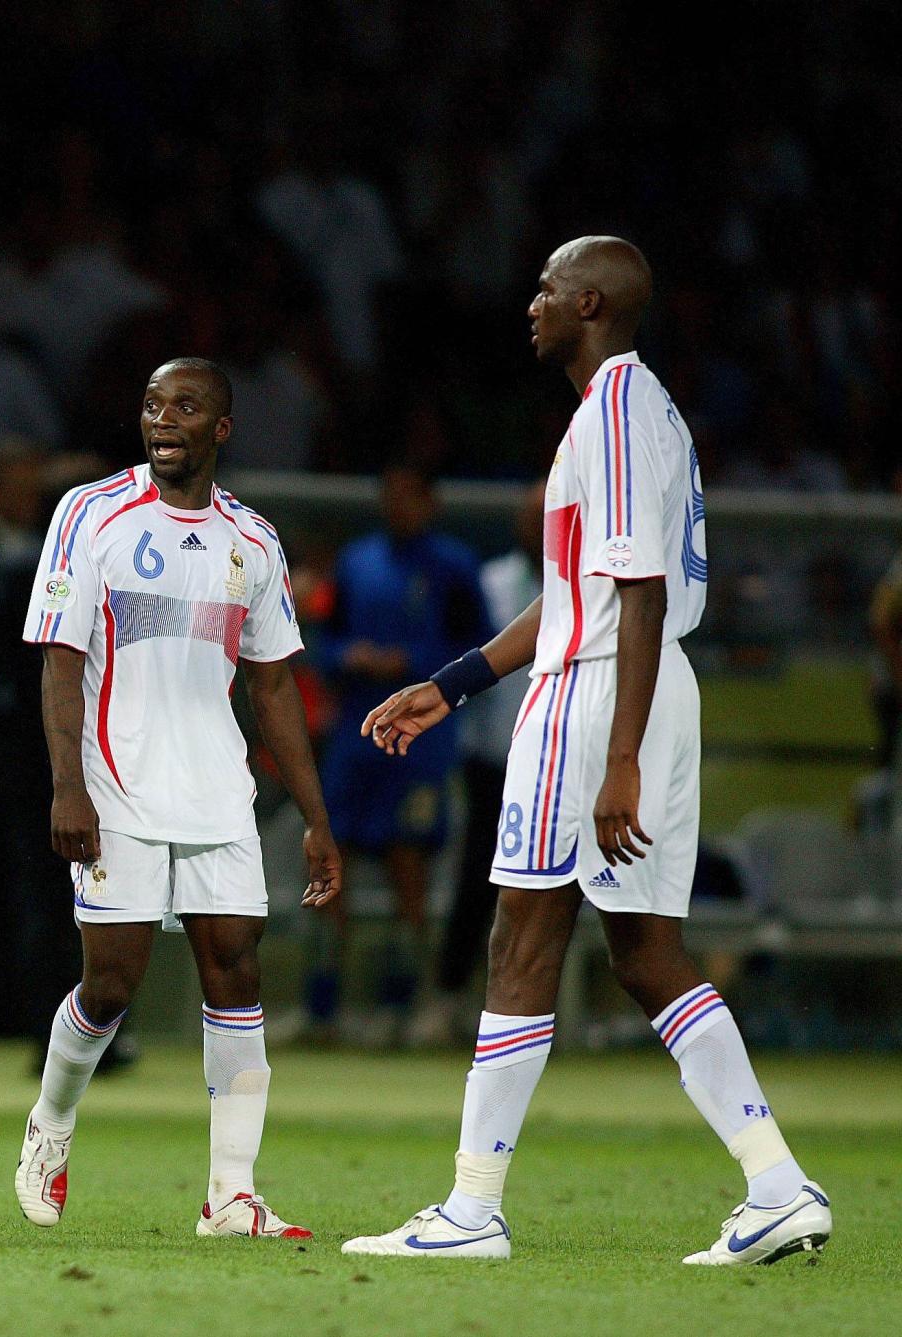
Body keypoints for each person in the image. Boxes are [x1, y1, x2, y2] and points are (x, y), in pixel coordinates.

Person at [344, 237, 831, 1264]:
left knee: (519, 935)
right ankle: (776, 1182)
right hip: (644, 686)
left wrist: (614, 757)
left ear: (591, 301)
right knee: (644, 952)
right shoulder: (638, 408)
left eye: (545, 289)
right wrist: (452, 681)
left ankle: (472, 1206)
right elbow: (583, 590)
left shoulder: (609, 413)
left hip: (601, 694)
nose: (529, 304)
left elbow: (636, 590)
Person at [11, 358, 343, 1237]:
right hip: (115, 786)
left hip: (217, 793)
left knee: (235, 969)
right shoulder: (89, 514)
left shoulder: (255, 542)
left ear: (221, 429)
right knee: (110, 985)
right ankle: (51, 1122)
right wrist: (68, 787)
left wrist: (314, 815)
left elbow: (273, 689)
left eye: (185, 406)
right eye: (153, 403)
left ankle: (231, 1196)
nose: (163, 419)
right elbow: (61, 658)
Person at [311, 465, 486, 1043]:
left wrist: (410, 663)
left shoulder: (455, 567)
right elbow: (324, 639)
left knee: (409, 864)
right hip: (357, 735)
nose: (396, 507)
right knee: (332, 859)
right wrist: (348, 658)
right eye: (388, 495)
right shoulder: (356, 561)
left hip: (419, 744)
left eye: (408, 497)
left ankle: (405, 1006)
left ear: (430, 503)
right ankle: (325, 1007)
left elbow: (478, 649)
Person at [411, 483, 546, 1046]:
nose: (540, 528)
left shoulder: (594, 582)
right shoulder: (491, 583)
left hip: (561, 757)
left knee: (561, 888)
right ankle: (449, 997)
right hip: (494, 755)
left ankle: (540, 1011)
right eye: (532, 517)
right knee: (478, 880)